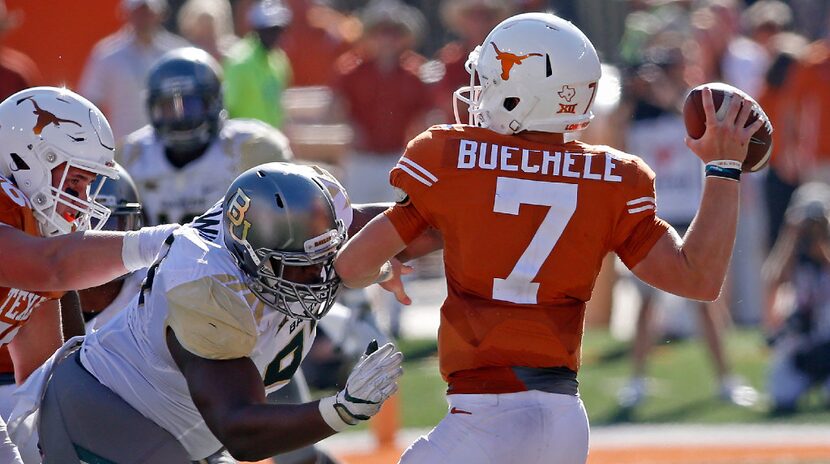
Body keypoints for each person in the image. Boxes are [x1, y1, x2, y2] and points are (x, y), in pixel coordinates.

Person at [334, 12, 765, 463]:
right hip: (563, 420)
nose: (479, 92)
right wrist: (723, 169)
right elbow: (697, 280)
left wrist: (385, 263)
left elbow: (351, 265)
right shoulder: (615, 177)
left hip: (482, 415)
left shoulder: (449, 157)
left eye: (490, 78)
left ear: (522, 90)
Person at [13, 162, 405, 463]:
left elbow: (415, 224)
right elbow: (239, 429)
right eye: (298, 266)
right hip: (109, 415)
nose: (319, 276)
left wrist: (388, 250)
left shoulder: (297, 231)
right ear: (252, 259)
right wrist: (341, 409)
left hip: (182, 429)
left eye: (326, 257)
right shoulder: (205, 285)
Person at [0, 86, 178, 464]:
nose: (82, 202)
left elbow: (45, 385)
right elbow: (52, 265)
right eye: (74, 183)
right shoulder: (15, 219)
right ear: (30, 161)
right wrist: (155, 242)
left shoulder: (34, 235)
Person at [121, 46, 293, 226]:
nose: (181, 118)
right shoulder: (132, 155)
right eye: (168, 107)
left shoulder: (251, 149)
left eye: (192, 105)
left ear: (215, 101)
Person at [78, 0, 189, 142]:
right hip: (123, 148)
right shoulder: (106, 54)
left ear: (160, 14)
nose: (144, 17)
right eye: (138, 11)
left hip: (169, 146)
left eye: (148, 11)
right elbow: (90, 103)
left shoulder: (177, 52)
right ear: (127, 13)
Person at [763, 183, 830, 414]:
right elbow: (772, 281)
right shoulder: (792, 256)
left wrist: (823, 236)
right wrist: (790, 235)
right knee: (780, 393)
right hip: (802, 349)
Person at [223, 0, 293, 128]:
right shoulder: (239, 61)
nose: (274, 36)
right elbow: (227, 107)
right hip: (244, 142)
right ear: (257, 30)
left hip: (273, 138)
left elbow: (279, 102)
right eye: (268, 30)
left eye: (277, 30)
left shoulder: (280, 60)